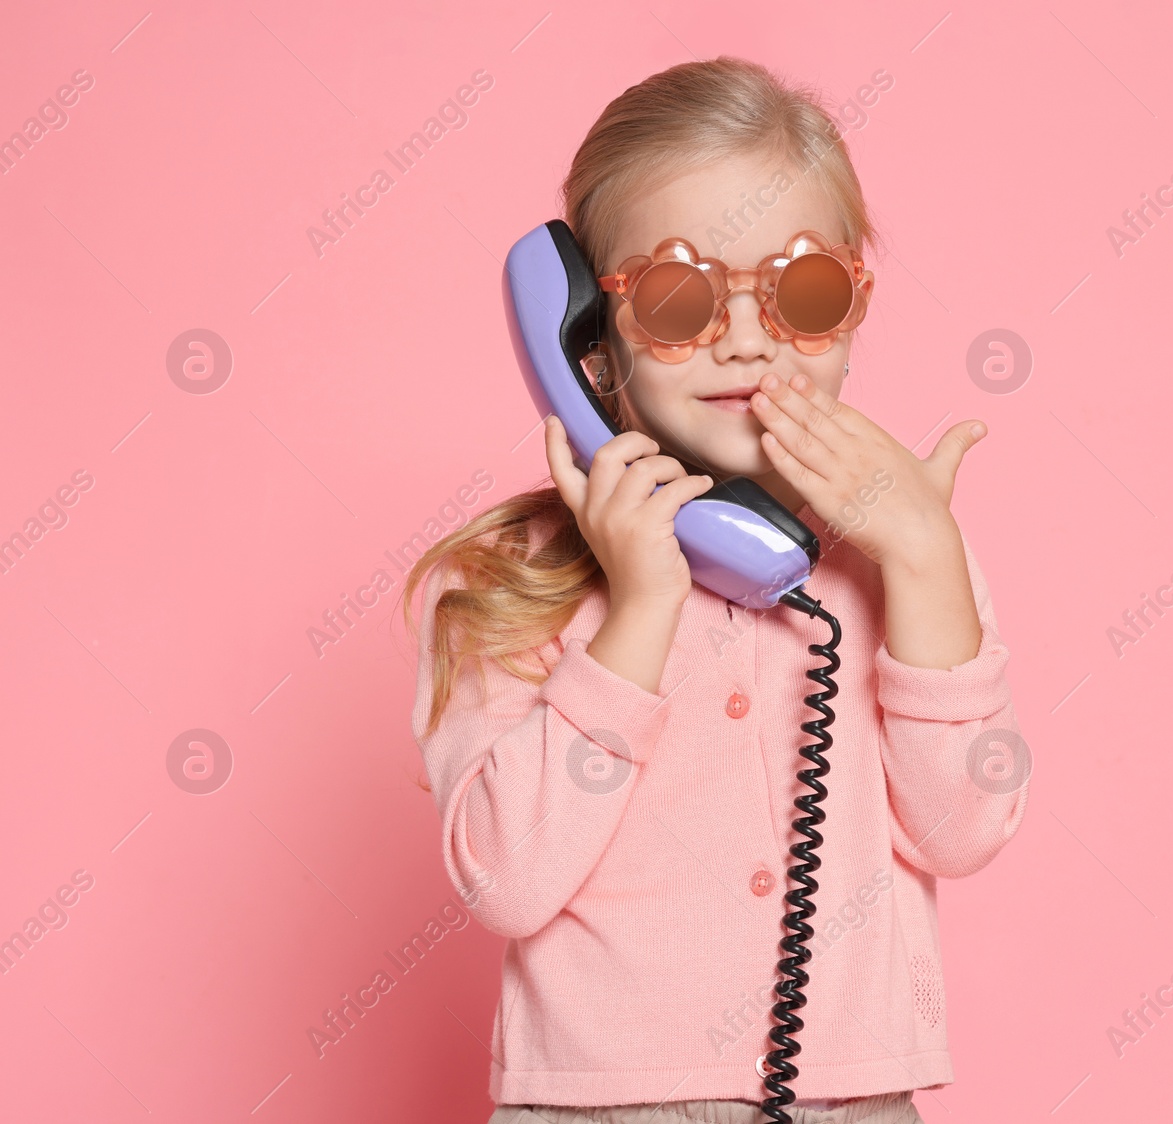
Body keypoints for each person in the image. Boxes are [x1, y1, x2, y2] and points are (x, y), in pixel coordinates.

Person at [402, 55, 1030, 1124]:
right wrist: (639, 610)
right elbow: (506, 879)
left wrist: (923, 561)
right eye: (680, 295)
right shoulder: (506, 578)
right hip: (594, 1104)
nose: (746, 334)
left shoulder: (900, 549)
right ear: (584, 345)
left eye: (803, 289)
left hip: (851, 1093)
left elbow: (963, 829)